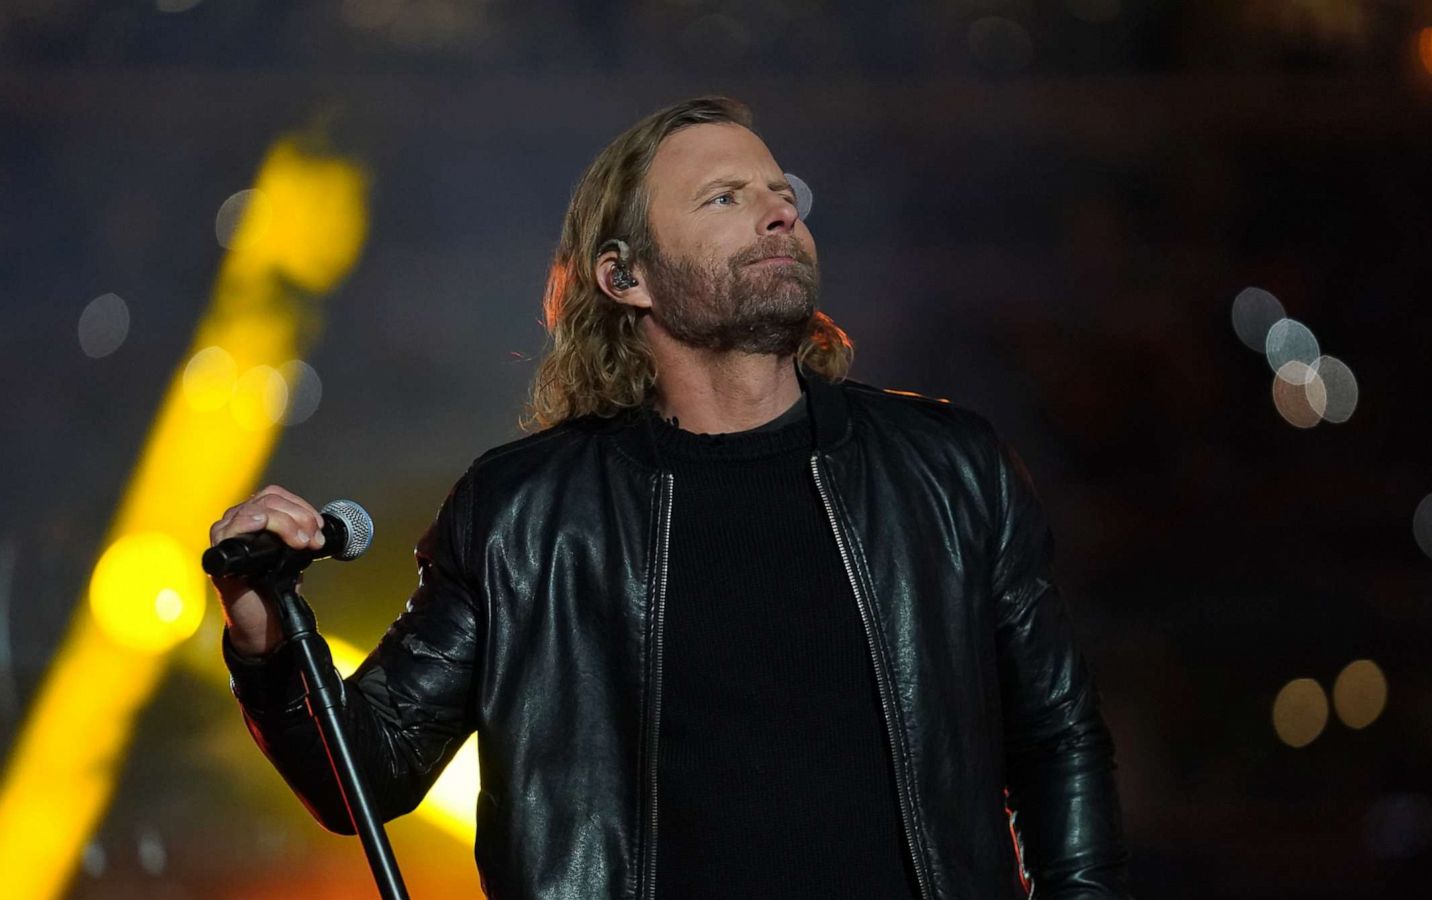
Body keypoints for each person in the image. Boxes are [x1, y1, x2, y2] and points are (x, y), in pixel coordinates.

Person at [211, 96, 1129, 900]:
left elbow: (1056, 741)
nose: (778, 215)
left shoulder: (948, 469)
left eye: (782, 195)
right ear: (625, 277)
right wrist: (258, 625)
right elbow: (361, 778)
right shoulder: (525, 515)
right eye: (724, 198)